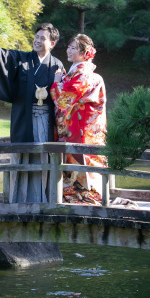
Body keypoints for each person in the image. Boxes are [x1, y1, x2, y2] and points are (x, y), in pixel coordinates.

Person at [0, 23, 64, 202]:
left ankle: (44, 199)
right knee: (22, 155)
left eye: (42, 38)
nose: (37, 41)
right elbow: (4, 56)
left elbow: (62, 96)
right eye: (36, 37)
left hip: (46, 120)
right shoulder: (22, 58)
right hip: (24, 117)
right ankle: (20, 198)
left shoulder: (57, 65)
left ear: (52, 43)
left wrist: (59, 84)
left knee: (43, 156)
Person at [50, 33, 107, 205]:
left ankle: (87, 198)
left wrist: (56, 83)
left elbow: (65, 97)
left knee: (84, 162)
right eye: (68, 47)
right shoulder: (73, 74)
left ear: (85, 53)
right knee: (73, 163)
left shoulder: (86, 75)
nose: (68, 50)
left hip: (84, 131)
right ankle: (75, 197)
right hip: (74, 130)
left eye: (73, 48)